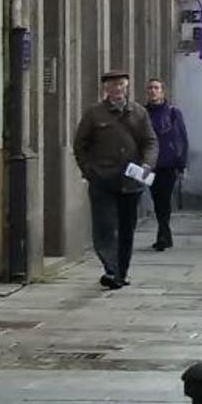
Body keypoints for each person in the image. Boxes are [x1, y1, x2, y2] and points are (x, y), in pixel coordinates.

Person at [74, 70, 157, 290]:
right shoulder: (94, 114)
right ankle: (111, 269)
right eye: (112, 85)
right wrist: (88, 170)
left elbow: (150, 142)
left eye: (121, 84)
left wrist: (147, 165)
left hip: (131, 181)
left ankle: (121, 271)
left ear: (127, 86)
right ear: (105, 89)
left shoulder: (138, 112)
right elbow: (80, 144)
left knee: (126, 229)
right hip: (103, 180)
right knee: (104, 228)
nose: (117, 89)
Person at [143, 79, 189, 251]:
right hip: (149, 164)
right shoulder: (142, 112)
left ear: (163, 92)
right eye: (150, 88)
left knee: (164, 198)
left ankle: (163, 233)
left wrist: (182, 163)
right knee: (156, 198)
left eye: (156, 88)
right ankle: (164, 233)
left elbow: (181, 138)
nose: (153, 91)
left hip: (168, 163)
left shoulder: (172, 112)